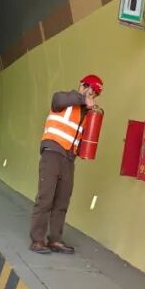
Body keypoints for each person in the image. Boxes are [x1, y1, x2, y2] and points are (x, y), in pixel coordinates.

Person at [28, 74, 103, 255]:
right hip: (52, 153)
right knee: (45, 198)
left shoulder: (87, 114)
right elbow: (57, 99)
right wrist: (83, 99)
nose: (91, 94)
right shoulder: (63, 100)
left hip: (69, 160)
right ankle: (37, 240)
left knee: (62, 201)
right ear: (81, 85)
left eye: (94, 93)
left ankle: (55, 239)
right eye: (88, 88)